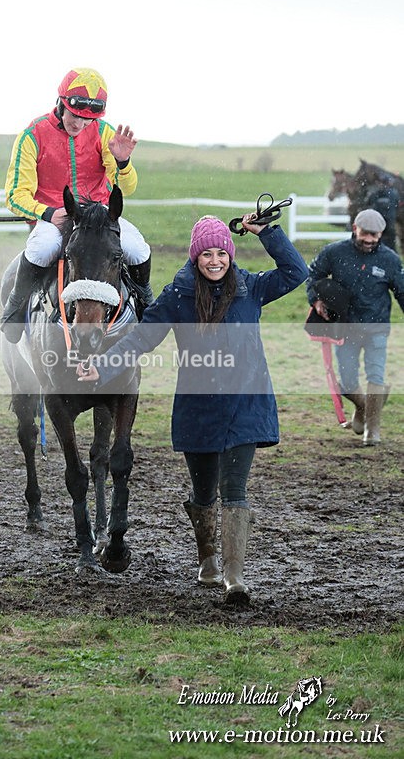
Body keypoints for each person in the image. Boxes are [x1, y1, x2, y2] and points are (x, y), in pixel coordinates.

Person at [76, 212, 309, 604]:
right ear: (195, 257)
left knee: (234, 489)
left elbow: (296, 271)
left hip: (245, 405)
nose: (215, 260)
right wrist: (101, 366)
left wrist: (267, 233)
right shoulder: (178, 295)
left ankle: (235, 578)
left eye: (222, 253)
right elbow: (140, 341)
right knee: (204, 494)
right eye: (207, 254)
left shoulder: (251, 287)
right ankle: (208, 560)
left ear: (230, 255)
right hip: (199, 408)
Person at [1, 67, 153, 343]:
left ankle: (145, 304)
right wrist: (46, 212)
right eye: (75, 116)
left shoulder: (106, 134)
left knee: (138, 249)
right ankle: (15, 309)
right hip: (53, 219)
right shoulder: (31, 135)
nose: (80, 125)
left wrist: (123, 162)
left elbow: (127, 187)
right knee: (40, 248)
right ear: (61, 103)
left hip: (100, 218)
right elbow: (15, 195)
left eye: (88, 120)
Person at [307, 209, 404, 445]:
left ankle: (373, 429)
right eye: (365, 234)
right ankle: (364, 406)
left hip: (377, 328)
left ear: (381, 233)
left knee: (375, 373)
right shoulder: (334, 252)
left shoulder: (390, 260)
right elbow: (312, 277)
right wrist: (316, 299)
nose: (369, 240)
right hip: (345, 328)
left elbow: (402, 292)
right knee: (347, 381)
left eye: (375, 235)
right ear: (354, 229)